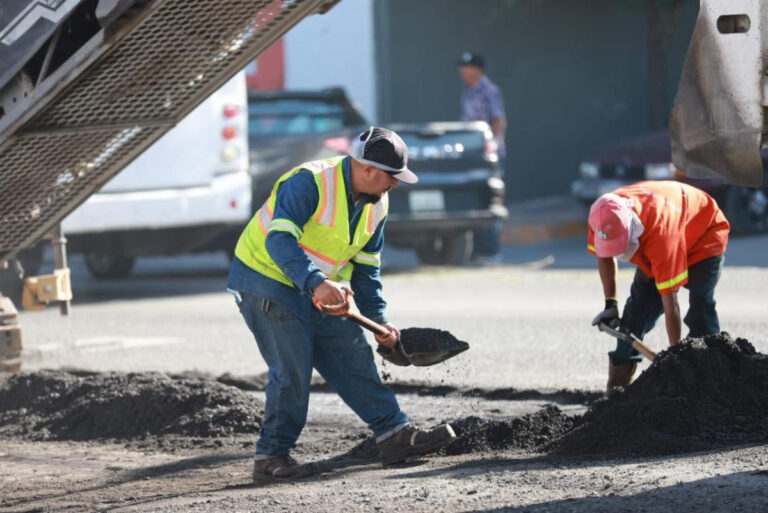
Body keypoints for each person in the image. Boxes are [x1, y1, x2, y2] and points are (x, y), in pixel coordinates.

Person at [227, 127, 456, 481]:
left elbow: (366, 269)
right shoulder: (309, 182)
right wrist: (315, 283)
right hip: (266, 279)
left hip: (316, 284)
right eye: (391, 177)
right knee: (292, 372)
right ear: (366, 169)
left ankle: (393, 435)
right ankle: (271, 458)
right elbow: (280, 240)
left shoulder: (377, 201)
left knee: (352, 354)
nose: (395, 184)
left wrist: (379, 320)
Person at [587, 180, 730, 389]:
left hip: (703, 233)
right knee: (634, 317)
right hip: (655, 238)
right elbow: (605, 256)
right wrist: (611, 304)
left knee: (701, 308)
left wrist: (676, 356)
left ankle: (711, 384)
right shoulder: (602, 216)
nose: (617, 251)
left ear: (629, 226)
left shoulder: (662, 236)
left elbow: (671, 304)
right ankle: (615, 393)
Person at [458, 51, 507, 257]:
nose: (462, 71)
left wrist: (492, 147)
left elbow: (498, 120)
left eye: (466, 67)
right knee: (473, 200)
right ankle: (477, 249)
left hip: (488, 155)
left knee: (491, 200)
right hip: (471, 154)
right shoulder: (467, 91)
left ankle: (492, 250)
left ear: (477, 69)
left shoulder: (490, 91)